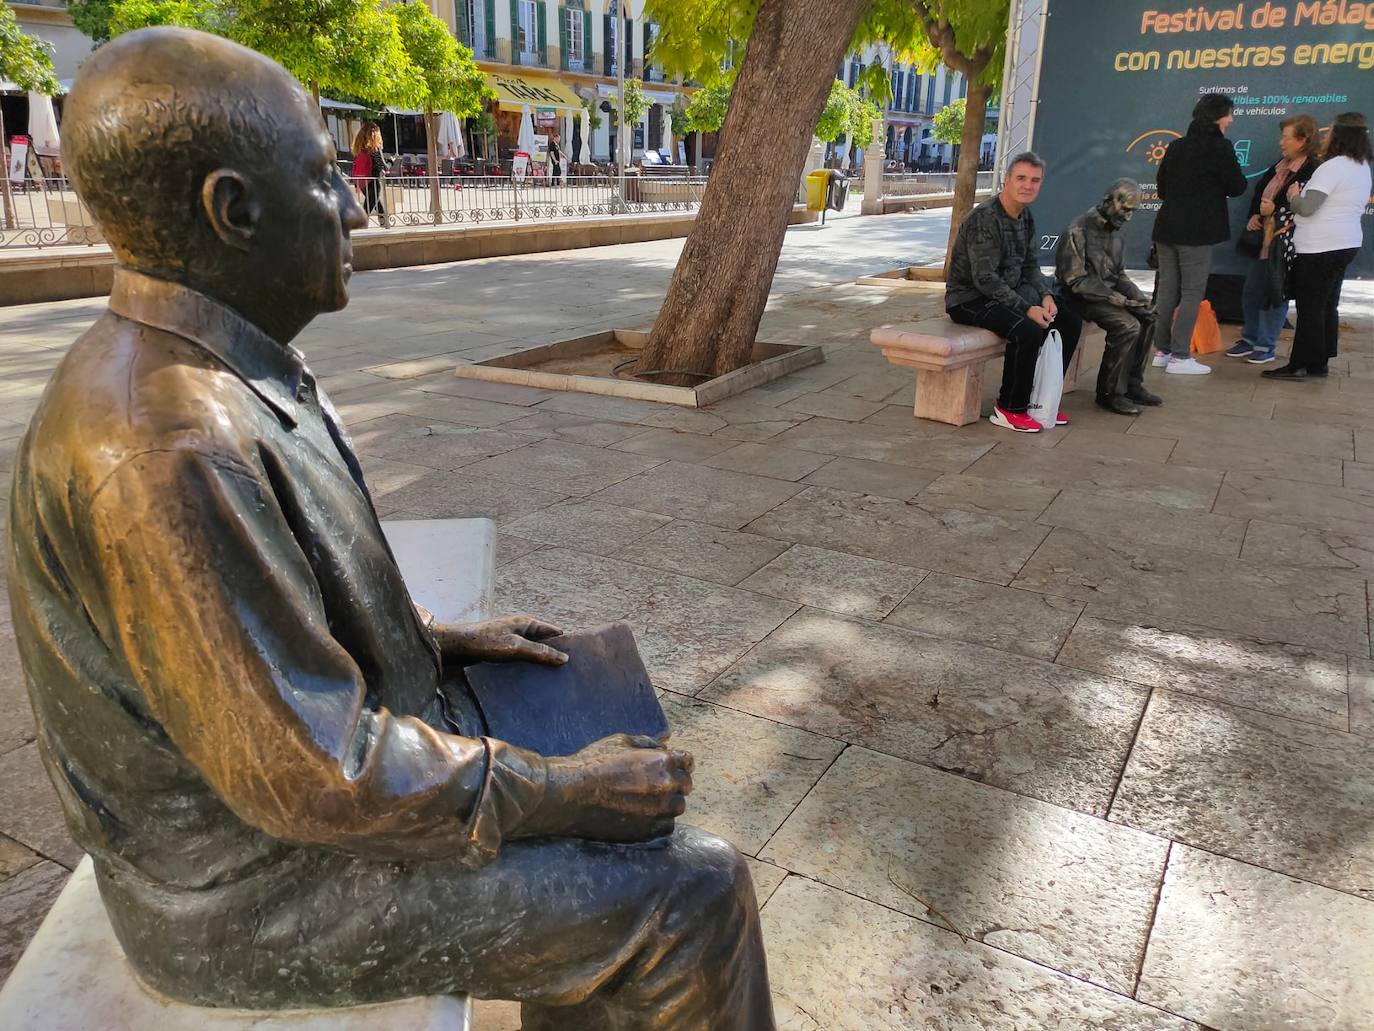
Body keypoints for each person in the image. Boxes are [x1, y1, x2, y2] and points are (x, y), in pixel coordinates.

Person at [7, 28, 774, 1030]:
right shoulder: (169, 448)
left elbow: (270, 634)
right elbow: (312, 773)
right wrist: (565, 791)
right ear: (233, 212)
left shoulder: (218, 366)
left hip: (293, 819)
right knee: (694, 893)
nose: (356, 207)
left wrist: (438, 641)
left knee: (596, 740)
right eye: (325, 178)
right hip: (253, 892)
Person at [946, 151, 1083, 433]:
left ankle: (1041, 400)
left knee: (1068, 320)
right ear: (1006, 180)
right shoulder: (985, 218)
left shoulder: (1025, 216)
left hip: (1007, 291)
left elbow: (1030, 265)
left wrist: (1045, 296)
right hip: (969, 298)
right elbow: (985, 279)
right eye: (1021, 178)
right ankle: (1010, 407)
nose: (1027, 185)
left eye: (1035, 180)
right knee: (1027, 330)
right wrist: (1027, 308)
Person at [1263, 111, 1372, 381]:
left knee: (1310, 306)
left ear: (1340, 135)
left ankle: (1299, 363)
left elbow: (1307, 208)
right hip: (1345, 243)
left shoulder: (1332, 167)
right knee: (1327, 304)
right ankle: (1318, 361)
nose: (1327, 135)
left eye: (1331, 130)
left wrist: (1293, 196)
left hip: (1320, 247)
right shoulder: (1361, 167)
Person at [1150, 93, 1248, 375]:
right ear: (1218, 117)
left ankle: (1161, 351)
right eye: (1228, 114)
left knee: (1167, 291)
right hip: (1197, 232)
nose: (1231, 120)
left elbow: (1161, 187)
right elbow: (1237, 186)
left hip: (1166, 227)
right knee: (1192, 292)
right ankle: (1180, 356)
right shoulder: (1221, 147)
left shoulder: (1176, 146)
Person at [1056, 179, 1162, 415]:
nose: (1128, 217)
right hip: (1077, 298)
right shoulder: (1078, 229)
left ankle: (1132, 384)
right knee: (1127, 325)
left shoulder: (1117, 233)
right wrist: (1114, 297)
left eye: (1133, 211)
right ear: (1108, 201)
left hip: (1105, 297)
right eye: (1125, 209)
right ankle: (1109, 393)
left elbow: (1119, 276)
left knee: (1148, 316)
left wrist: (1139, 298)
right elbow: (1074, 280)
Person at [1225, 115, 1320, 365]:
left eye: (1286, 137)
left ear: (1303, 140)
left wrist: (1274, 211)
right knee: (1252, 291)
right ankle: (1250, 338)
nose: (1281, 142)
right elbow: (1260, 194)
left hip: (1285, 243)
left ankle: (1265, 345)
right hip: (1265, 240)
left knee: (1275, 292)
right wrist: (1256, 215)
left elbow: (1305, 207)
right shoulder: (1279, 165)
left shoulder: (1313, 170)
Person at [351, 121, 390, 228]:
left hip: (362, 182)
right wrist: (391, 161)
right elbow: (383, 166)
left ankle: (385, 224)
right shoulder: (374, 149)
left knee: (376, 203)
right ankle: (361, 226)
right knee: (368, 207)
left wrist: (356, 184)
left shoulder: (359, 149)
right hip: (373, 182)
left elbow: (355, 166)